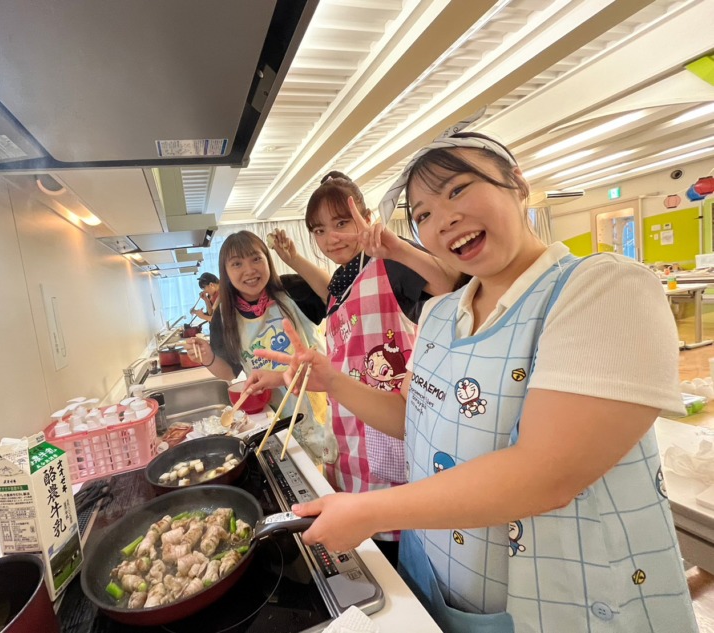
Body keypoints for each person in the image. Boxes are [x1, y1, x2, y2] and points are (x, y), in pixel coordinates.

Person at [254, 116, 697, 631]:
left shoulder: (602, 289)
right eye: (422, 213)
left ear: (517, 182)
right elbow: (412, 419)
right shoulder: (443, 313)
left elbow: (546, 474)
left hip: (569, 601)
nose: (442, 218)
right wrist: (331, 380)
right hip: (443, 587)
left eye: (459, 189)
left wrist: (372, 510)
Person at [249, 172, 461, 567]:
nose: (331, 239)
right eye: (320, 231)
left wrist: (397, 249)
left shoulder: (392, 267)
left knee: (400, 552)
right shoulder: (347, 279)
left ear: (365, 216)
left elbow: (452, 282)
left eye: (342, 224)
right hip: (350, 436)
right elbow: (332, 293)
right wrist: (294, 258)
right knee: (366, 552)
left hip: (393, 427)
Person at [185, 231, 329, 464]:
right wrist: (208, 357)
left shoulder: (292, 289)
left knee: (329, 475)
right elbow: (229, 372)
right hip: (272, 416)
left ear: (267, 259)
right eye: (237, 263)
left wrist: (294, 259)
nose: (249, 270)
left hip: (320, 401)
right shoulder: (224, 315)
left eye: (256, 259)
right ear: (226, 272)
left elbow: (335, 293)